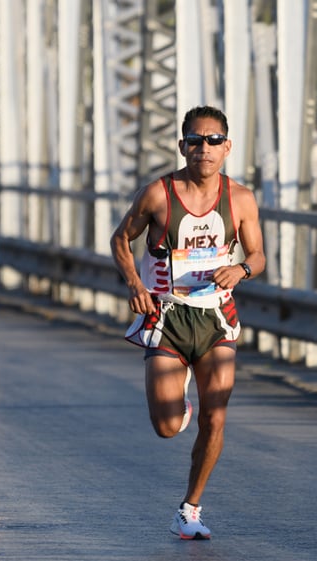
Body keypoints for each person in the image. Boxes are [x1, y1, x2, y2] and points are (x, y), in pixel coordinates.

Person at [110, 105, 265, 540]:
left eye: (214, 140)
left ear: (227, 147)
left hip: (216, 317)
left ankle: (190, 509)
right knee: (165, 427)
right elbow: (121, 238)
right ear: (182, 146)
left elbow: (257, 255)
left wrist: (242, 271)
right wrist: (134, 283)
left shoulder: (241, 199)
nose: (204, 149)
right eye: (195, 140)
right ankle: (180, 406)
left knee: (216, 419)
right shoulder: (158, 194)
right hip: (167, 316)